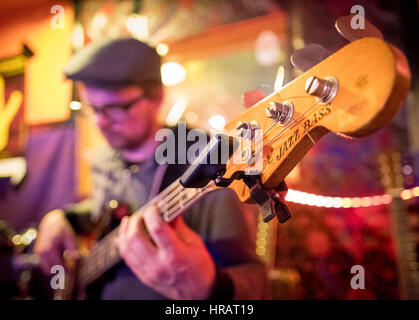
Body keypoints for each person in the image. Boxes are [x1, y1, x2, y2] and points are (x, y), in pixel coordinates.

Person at [34, 38, 278, 300]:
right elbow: (104, 210)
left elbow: (255, 285)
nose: (100, 122)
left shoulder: (208, 159)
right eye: (92, 109)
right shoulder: (105, 158)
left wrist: (209, 288)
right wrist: (61, 217)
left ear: (157, 96)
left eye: (116, 108)